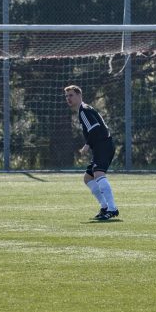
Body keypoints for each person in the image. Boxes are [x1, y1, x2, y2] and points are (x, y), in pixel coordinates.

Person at [64, 84, 119, 220]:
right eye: (66, 96)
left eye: (71, 95)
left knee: (99, 174)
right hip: (102, 146)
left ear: (79, 95)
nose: (68, 98)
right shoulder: (84, 110)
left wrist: (87, 145)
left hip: (103, 145)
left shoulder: (84, 110)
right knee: (88, 178)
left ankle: (112, 209)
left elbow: (94, 129)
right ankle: (105, 206)